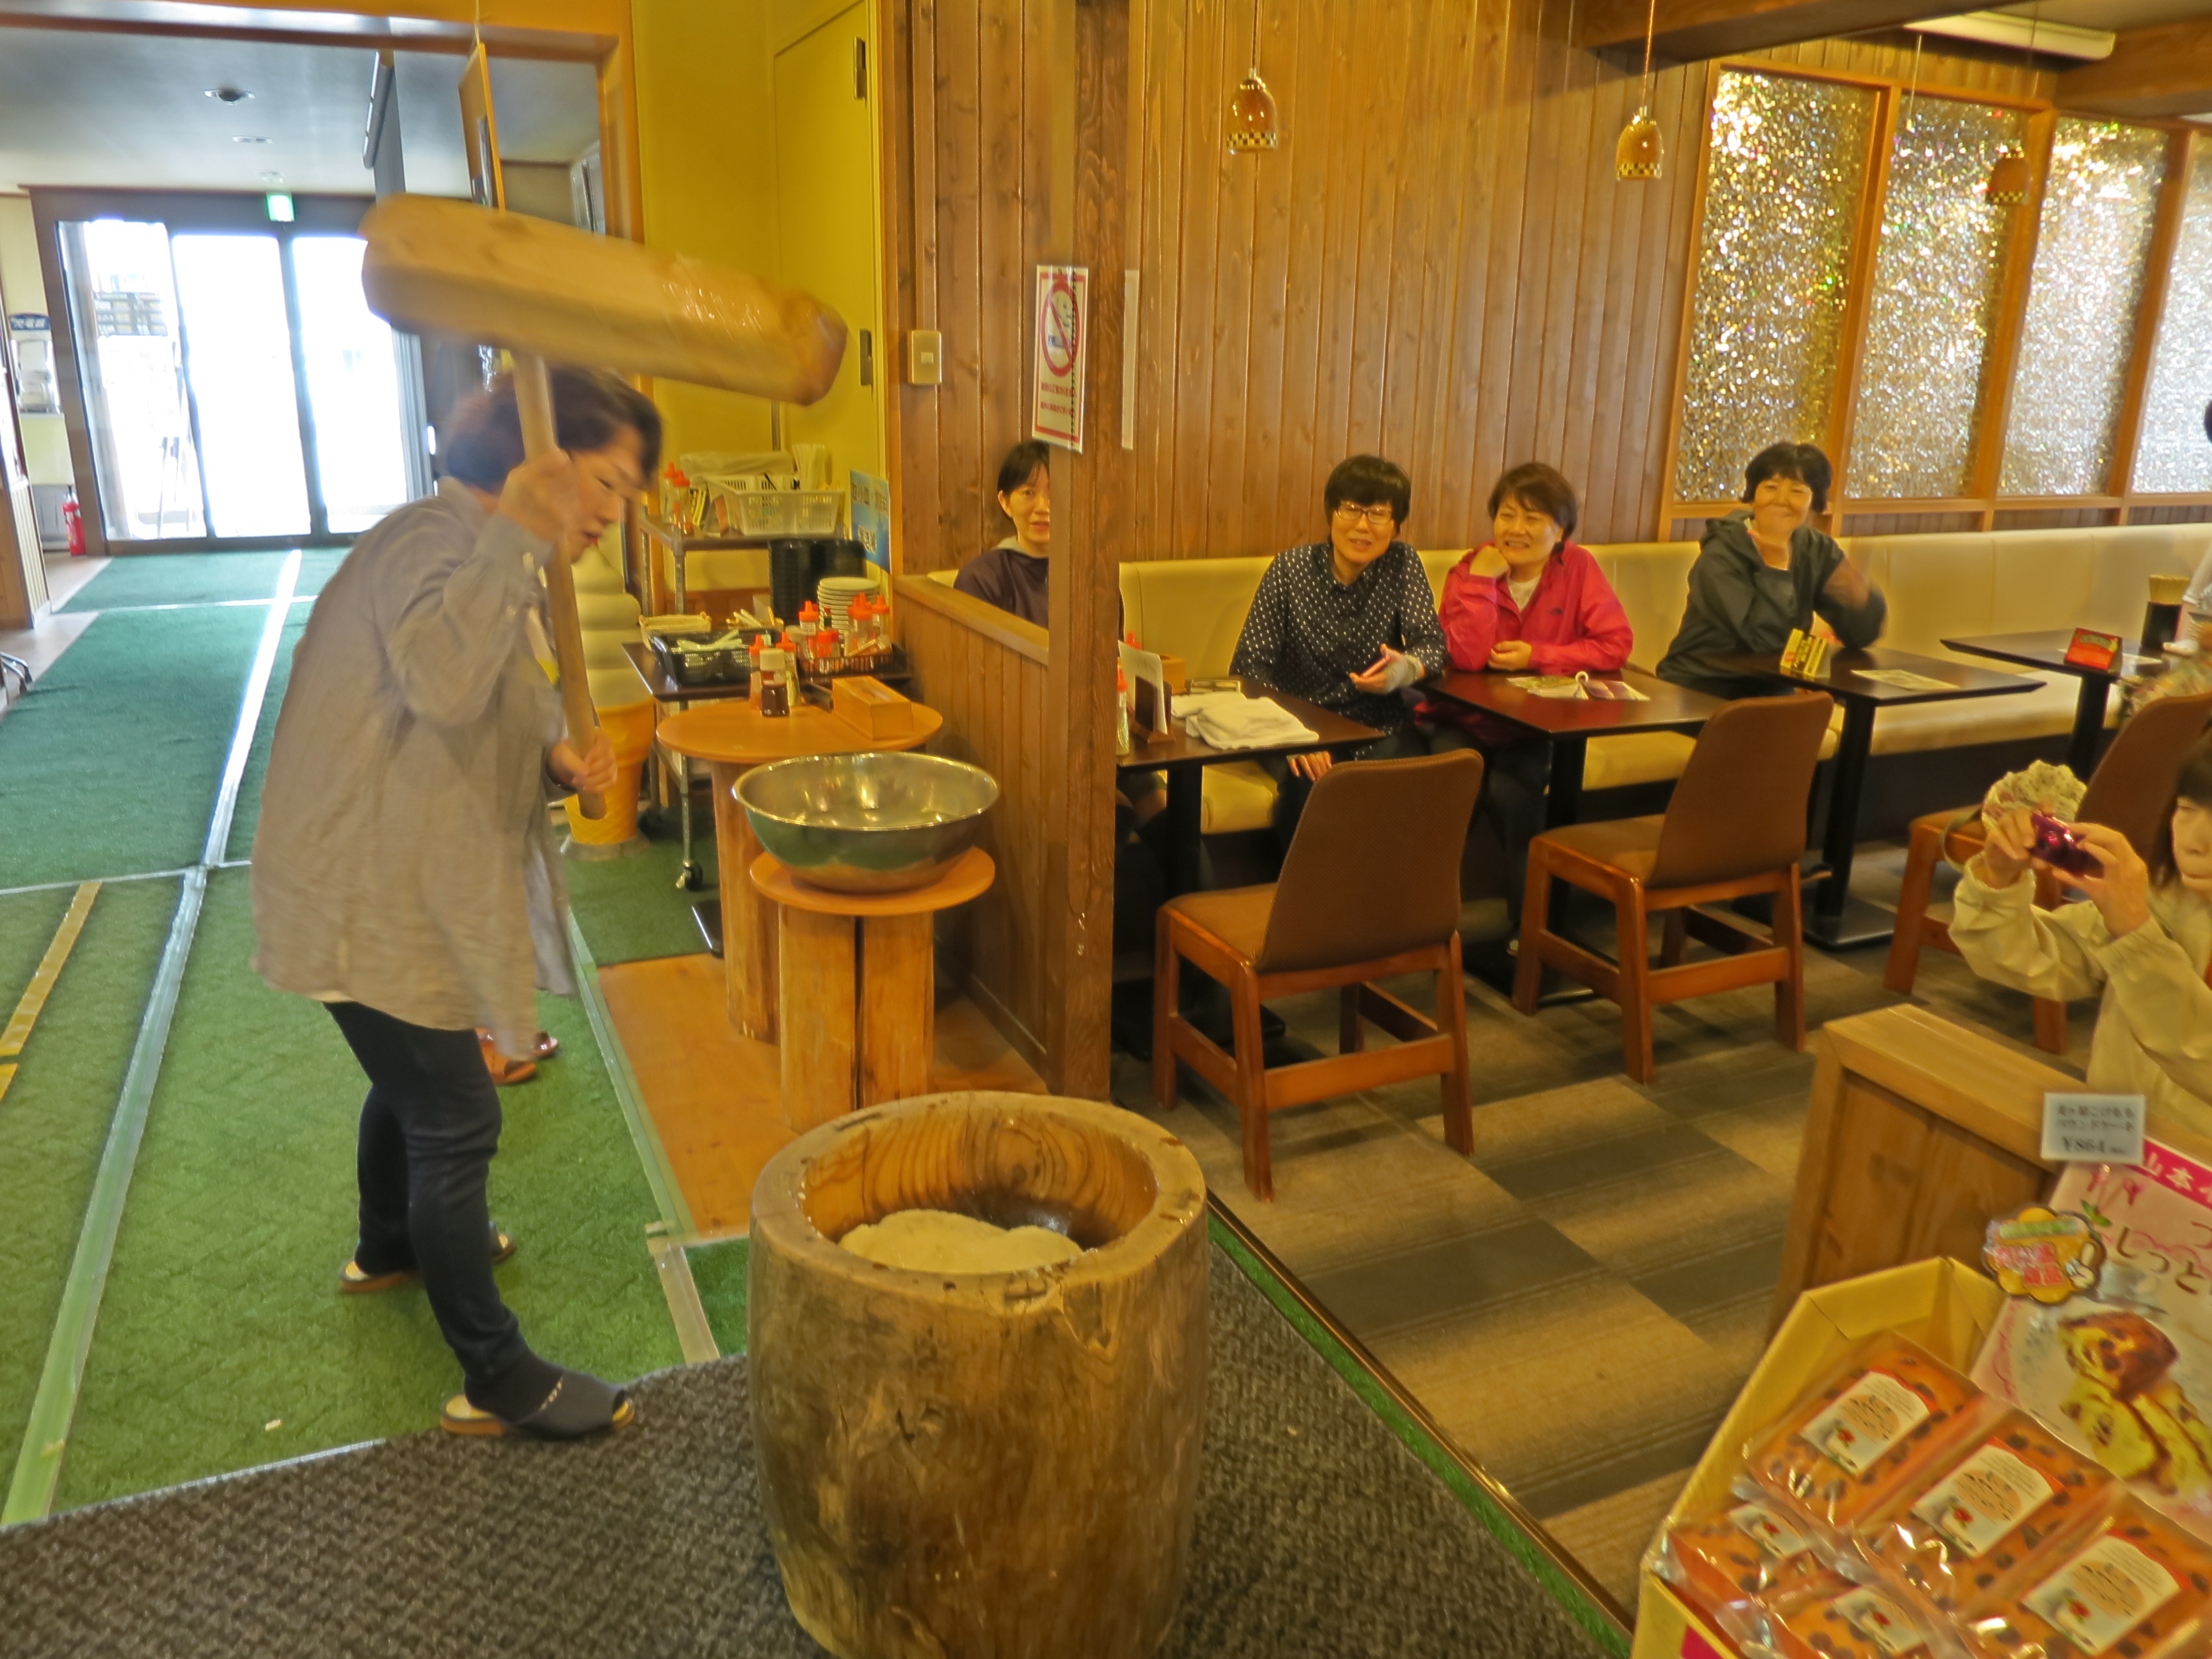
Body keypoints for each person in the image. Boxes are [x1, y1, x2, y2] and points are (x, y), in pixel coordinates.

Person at [252, 367, 654, 1441]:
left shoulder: (480, 553)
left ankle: (388, 1245)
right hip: (361, 886)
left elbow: (478, 704)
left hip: (385, 875)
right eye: (604, 483)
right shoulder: (434, 545)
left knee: (412, 1079)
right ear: (535, 465)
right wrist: (521, 532)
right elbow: (439, 679)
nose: (611, 514)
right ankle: (496, 1376)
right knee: (455, 1112)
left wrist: (556, 760)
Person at [1950, 735, 2212, 1134]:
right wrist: (1998, 881)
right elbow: (2037, 962)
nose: (2193, 842)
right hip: (2113, 1127)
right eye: (2186, 808)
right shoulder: (2168, 895)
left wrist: (2136, 936)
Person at [1423, 462, 1632, 921]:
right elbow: (1465, 657)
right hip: (1462, 720)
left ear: (1561, 532)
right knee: (1455, 789)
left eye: (1532, 518)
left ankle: (1531, 930)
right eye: (1507, 515)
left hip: (1532, 728)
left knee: (1514, 797)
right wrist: (1482, 583)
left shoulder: (1579, 567)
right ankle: (1425, 925)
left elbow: (1615, 644)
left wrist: (1538, 656)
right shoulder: (1469, 569)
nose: (1515, 529)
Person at [1231, 453, 1452, 849]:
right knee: (1310, 786)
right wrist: (1293, 738)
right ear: (1331, 514)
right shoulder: (1289, 569)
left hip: (1377, 723)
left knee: (1408, 781)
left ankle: (1385, 888)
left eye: (1378, 514)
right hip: (1296, 724)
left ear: (1396, 525)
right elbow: (1249, 667)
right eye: (1351, 509)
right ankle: (1305, 889)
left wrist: (1405, 670)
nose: (1362, 525)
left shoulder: (1403, 564)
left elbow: (1433, 646)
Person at [1656, 442, 1886, 699]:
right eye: (1771, 487)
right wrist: (1777, 567)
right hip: (1701, 687)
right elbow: (1766, 643)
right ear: (1753, 495)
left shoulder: (1815, 549)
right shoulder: (1722, 552)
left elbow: (1861, 638)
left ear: (1815, 502)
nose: (1781, 500)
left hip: (1773, 687)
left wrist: (1859, 601)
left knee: (1817, 711)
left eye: (1797, 491)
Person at [955, 439, 1052, 627]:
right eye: (1028, 493)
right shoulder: (980, 579)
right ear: (1005, 502)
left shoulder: (1092, 577)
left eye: (1054, 493)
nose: (1043, 507)